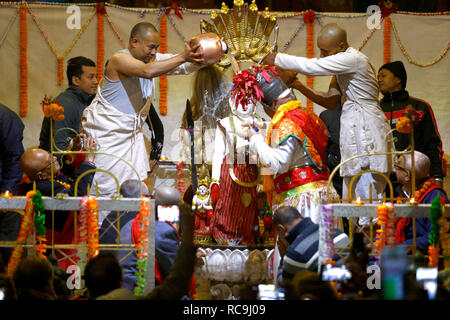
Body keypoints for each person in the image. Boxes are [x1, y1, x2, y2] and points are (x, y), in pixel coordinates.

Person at [263, 23, 393, 226]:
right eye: (320, 51)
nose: (322, 56)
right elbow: (332, 101)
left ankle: (374, 250)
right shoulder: (343, 65)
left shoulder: (353, 59)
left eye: (326, 51)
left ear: (341, 46)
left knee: (369, 194)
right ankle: (358, 248)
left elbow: (312, 67)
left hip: (365, 126)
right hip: (353, 126)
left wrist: (278, 59)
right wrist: (298, 85)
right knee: (355, 199)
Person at [81, 22, 206, 201]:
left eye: (157, 48)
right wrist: (183, 56)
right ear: (134, 42)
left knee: (135, 194)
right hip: (108, 142)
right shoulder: (119, 59)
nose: (154, 52)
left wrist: (205, 57)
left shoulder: (149, 60)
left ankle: (132, 229)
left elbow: (182, 66)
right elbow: (148, 72)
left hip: (131, 141)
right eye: (151, 47)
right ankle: (103, 229)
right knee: (106, 193)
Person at [18, 136, 97, 269]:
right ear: (40, 176)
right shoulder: (41, 187)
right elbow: (75, 197)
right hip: (59, 243)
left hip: (68, 235)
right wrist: (89, 161)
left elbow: (63, 177)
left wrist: (74, 151)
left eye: (50, 155)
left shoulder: (46, 176)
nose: (55, 158)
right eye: (50, 161)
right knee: (66, 276)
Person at [209, 94, 266, 245]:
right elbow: (218, 152)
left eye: (248, 101)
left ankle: (246, 238)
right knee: (228, 204)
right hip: (230, 170)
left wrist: (266, 179)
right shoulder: (225, 123)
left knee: (250, 207)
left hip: (253, 170)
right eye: (240, 101)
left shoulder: (261, 123)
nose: (244, 105)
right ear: (233, 103)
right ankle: (225, 236)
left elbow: (266, 154)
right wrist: (214, 180)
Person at [378, 60, 446, 187]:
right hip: (382, 180)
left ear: (398, 79)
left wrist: (437, 176)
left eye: (383, 75)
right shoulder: (375, 109)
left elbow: (432, 144)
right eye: (378, 76)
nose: (379, 80)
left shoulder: (419, 107)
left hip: (414, 180)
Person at [39, 56, 97, 177]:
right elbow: (58, 148)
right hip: (62, 176)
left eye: (96, 77)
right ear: (76, 80)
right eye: (91, 77)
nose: (96, 81)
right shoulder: (65, 104)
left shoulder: (82, 101)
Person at [272, 206, 349, 285]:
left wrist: (284, 258)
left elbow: (283, 287)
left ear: (281, 228)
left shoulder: (295, 253)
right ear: (302, 217)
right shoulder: (336, 231)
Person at [394, 151, 448, 254]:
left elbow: (435, 235)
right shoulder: (405, 194)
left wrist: (398, 248)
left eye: (397, 165)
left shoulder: (435, 197)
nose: (394, 169)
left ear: (407, 175)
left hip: (420, 257)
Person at [0, 104, 24, 264]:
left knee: (10, 254)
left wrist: (6, 195)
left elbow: (15, 159)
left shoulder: (5, 117)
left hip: (4, 200)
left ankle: (15, 288)